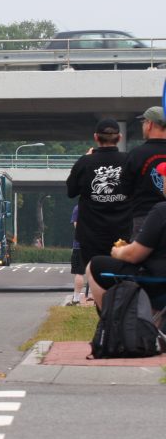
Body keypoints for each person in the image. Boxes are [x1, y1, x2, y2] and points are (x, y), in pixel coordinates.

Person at [86, 161, 166, 311]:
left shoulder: (161, 211)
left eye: (164, 178)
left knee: (94, 265)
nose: (162, 181)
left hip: (156, 282)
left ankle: (115, 325)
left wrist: (118, 251)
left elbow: (135, 255)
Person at [65, 118, 130, 301]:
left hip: (91, 233)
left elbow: (71, 191)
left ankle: (102, 310)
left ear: (96, 137)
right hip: (123, 231)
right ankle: (120, 306)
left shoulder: (85, 162)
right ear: (119, 137)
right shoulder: (129, 161)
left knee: (94, 271)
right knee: (121, 271)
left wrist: (87, 159)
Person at [120, 106, 166, 237]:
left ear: (150, 124)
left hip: (144, 217)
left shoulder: (136, 154)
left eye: (143, 122)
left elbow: (124, 189)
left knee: (141, 256)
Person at [67, 204, 84, 305]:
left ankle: (76, 299)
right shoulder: (98, 206)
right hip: (96, 244)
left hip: (80, 245)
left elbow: (76, 226)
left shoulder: (78, 208)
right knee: (95, 272)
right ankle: (98, 300)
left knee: (79, 273)